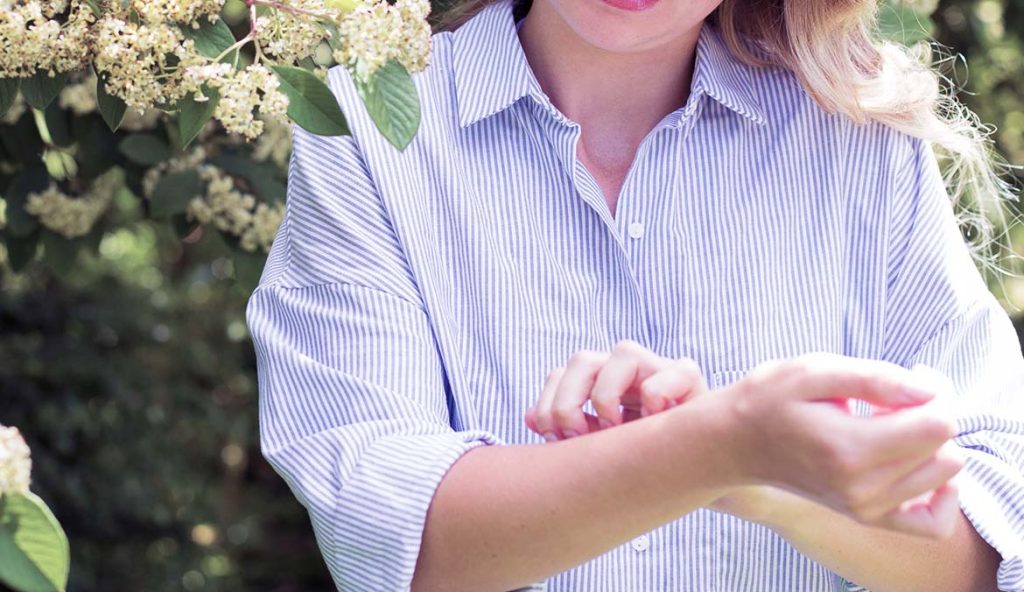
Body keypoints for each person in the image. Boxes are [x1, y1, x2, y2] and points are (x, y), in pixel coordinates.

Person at [244, 0, 1024, 589]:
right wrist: (715, 447)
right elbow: (396, 540)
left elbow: (982, 555)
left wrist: (758, 474)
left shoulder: (860, 135)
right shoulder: (368, 132)